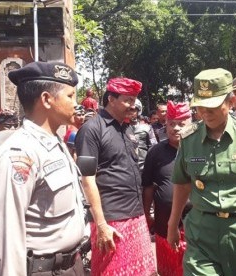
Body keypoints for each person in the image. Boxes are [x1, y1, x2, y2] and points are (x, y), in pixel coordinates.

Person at [167, 68, 236, 276]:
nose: (205, 113)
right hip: (201, 233)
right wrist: (172, 224)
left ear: (230, 101)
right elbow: (182, 184)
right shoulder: (189, 139)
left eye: (212, 106)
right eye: (200, 106)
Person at [0, 61, 87, 275]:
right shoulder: (19, 154)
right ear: (46, 100)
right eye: (70, 96)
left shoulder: (56, 143)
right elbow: (6, 235)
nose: (75, 103)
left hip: (71, 266)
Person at [75, 77, 156, 276]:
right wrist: (101, 224)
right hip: (111, 220)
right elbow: (87, 179)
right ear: (111, 99)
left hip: (135, 215)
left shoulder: (127, 128)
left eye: (134, 100)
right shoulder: (91, 130)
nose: (133, 105)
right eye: (128, 100)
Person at [142, 100, 193, 276]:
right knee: (168, 271)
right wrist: (147, 214)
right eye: (171, 124)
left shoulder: (200, 150)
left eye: (181, 124)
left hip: (196, 228)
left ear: (191, 124)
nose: (176, 128)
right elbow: (148, 186)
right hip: (165, 226)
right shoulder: (155, 152)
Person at [128, 99, 157, 172]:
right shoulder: (119, 128)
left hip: (143, 168)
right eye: (128, 110)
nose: (130, 112)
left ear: (138, 111)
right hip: (126, 168)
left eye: (133, 110)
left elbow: (153, 148)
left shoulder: (147, 128)